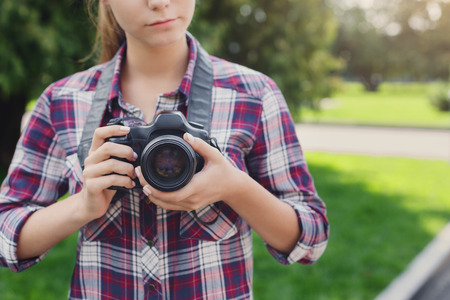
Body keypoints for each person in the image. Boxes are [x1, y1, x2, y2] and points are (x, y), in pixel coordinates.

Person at [0, 0, 329, 298]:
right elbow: (5, 235)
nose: (159, 2)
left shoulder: (254, 95)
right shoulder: (63, 101)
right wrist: (81, 207)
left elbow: (312, 240)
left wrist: (235, 187)